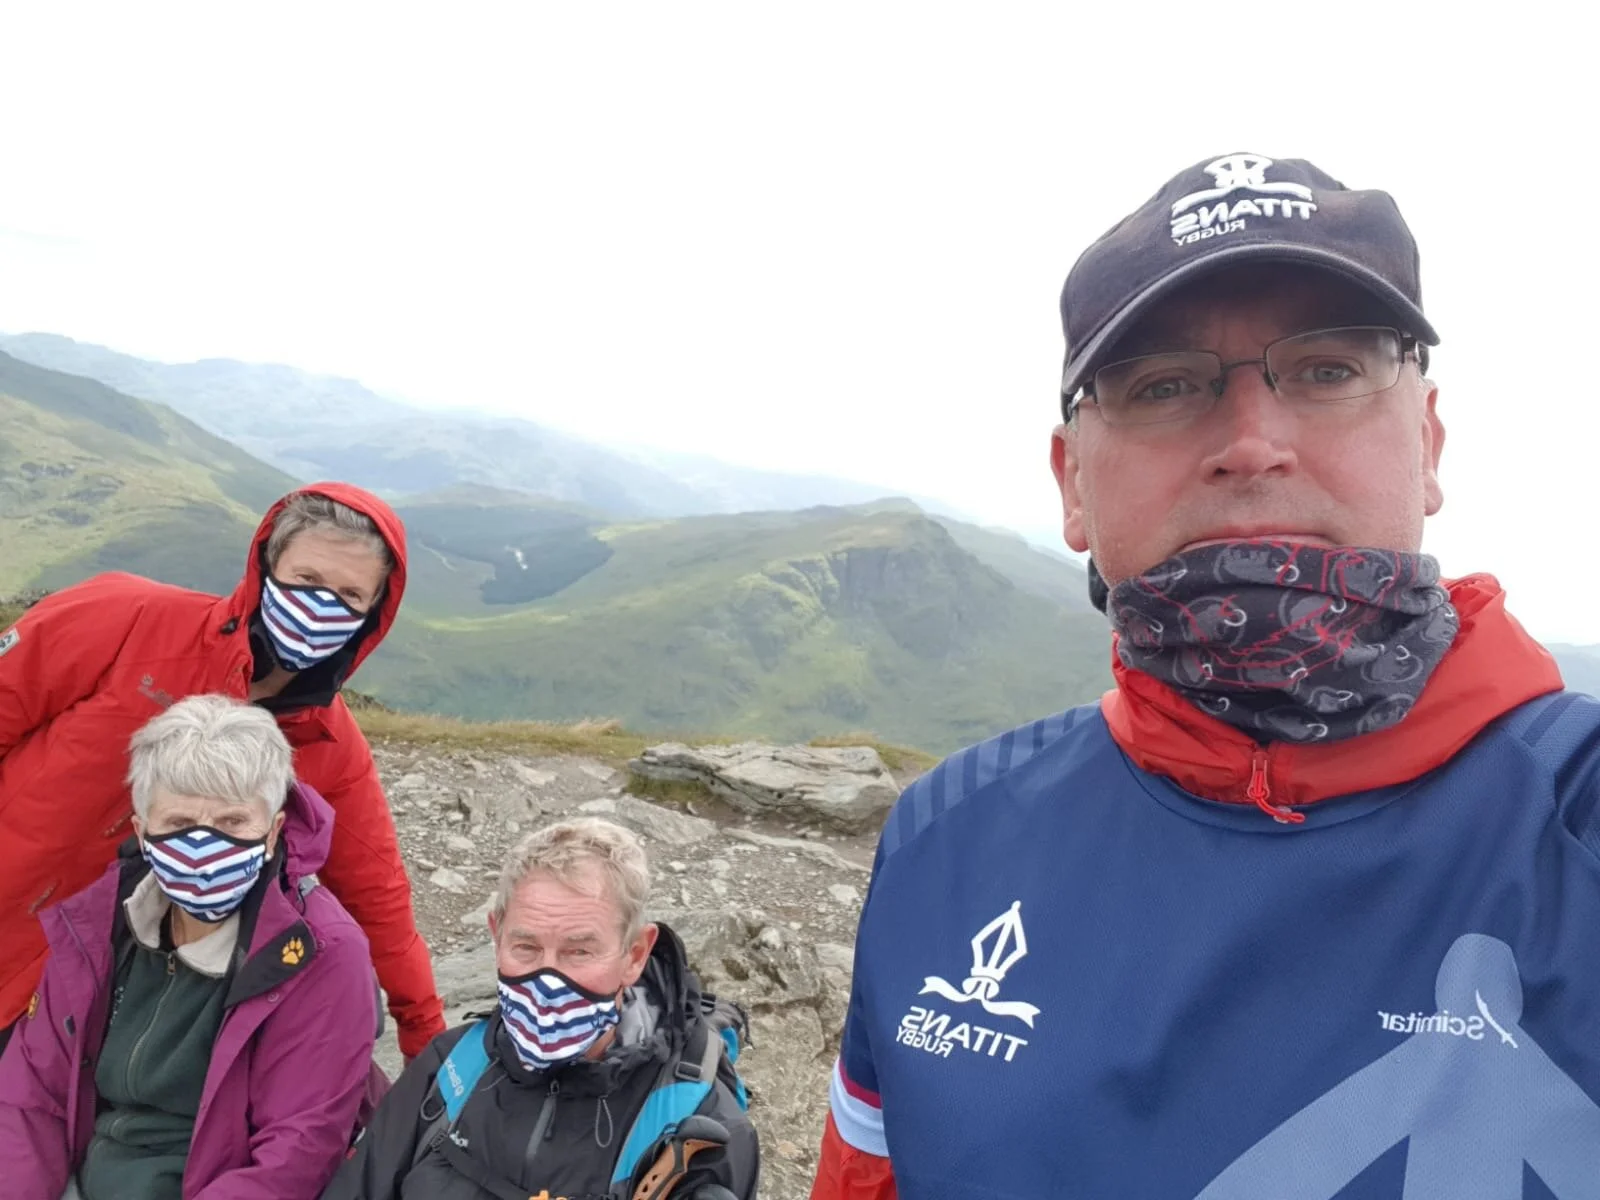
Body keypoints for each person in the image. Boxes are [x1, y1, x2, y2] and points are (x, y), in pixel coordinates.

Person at [809, 152, 1600, 1197]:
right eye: (1164, 385)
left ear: (1428, 441)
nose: (1251, 442)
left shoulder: (1577, 819)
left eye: (1328, 370)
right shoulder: (943, 837)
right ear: (1072, 484)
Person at [0, 483, 444, 1062]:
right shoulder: (124, 618)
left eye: (350, 595)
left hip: (74, 1005)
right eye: (307, 579)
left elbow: (379, 899)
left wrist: (426, 1038)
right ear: (266, 565)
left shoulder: (331, 746)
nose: (320, 607)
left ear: (372, 616)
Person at [0, 694, 386, 1200]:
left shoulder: (322, 953)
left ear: (273, 832)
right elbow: (31, 1096)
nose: (204, 849)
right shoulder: (99, 925)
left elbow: (294, 1155)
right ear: (142, 831)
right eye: (180, 824)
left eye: (232, 823)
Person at [321, 816, 760, 1200]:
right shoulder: (452, 1067)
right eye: (526, 947)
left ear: (634, 955)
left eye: (579, 951)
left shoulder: (696, 1127)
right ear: (496, 937)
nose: (547, 983)